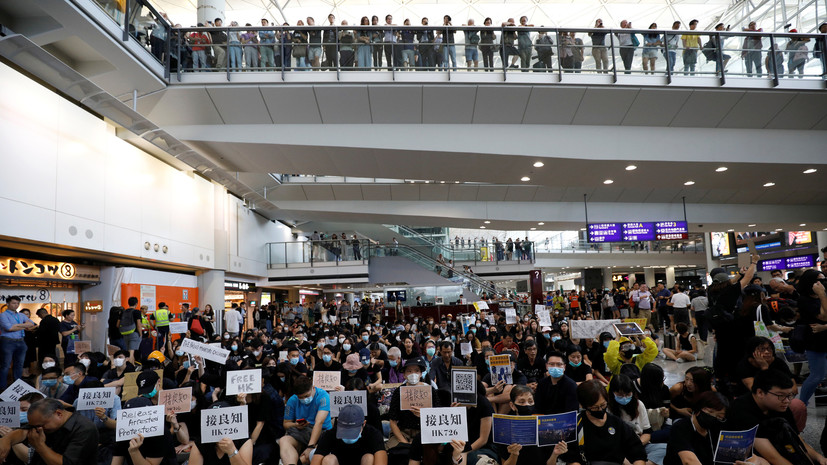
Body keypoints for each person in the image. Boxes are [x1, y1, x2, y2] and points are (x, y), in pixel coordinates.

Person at [727, 369, 825, 464]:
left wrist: (819, 457)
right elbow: (772, 457)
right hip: (747, 457)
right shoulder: (741, 410)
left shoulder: (780, 406)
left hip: (775, 448)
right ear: (760, 392)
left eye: (790, 395)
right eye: (781, 395)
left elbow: (797, 441)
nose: (787, 400)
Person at [560, 380, 648, 465]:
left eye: (603, 405)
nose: (600, 410)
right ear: (583, 406)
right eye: (595, 407)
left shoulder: (616, 423)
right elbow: (571, 457)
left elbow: (636, 450)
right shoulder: (576, 424)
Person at [0, 397, 99, 465]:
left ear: (58, 414)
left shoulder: (85, 429)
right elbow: (24, 431)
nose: (38, 429)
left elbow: (65, 463)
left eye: (41, 425)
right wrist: (7, 440)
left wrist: (39, 446)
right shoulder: (42, 422)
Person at [279, 375, 333, 465]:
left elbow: (319, 423)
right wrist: (296, 425)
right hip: (301, 431)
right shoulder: (292, 400)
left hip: (322, 432)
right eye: (301, 397)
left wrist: (310, 446)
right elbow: (286, 424)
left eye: (307, 395)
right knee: (283, 440)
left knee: (306, 458)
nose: (304, 399)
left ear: (313, 387)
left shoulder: (323, 396)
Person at [310, 404, 387, 465]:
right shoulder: (329, 434)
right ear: (338, 422)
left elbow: (381, 462)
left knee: (369, 457)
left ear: (363, 424)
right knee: (328, 460)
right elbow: (316, 460)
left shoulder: (373, 434)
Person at [794, 269, 827, 405]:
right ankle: (801, 403)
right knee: (817, 375)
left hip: (824, 336)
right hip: (815, 342)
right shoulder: (804, 300)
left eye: (823, 280)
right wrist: (822, 295)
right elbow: (824, 316)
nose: (822, 283)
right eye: (818, 280)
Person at [0, 295, 37, 389]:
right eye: (13, 303)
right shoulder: (3, 315)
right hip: (7, 342)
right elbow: (9, 328)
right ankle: (3, 387)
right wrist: (24, 325)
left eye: (17, 303)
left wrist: (16, 325)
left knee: (19, 365)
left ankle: (17, 385)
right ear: (7, 304)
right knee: (5, 365)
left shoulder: (21, 315)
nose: (16, 305)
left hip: (21, 342)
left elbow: (31, 324)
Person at [119, 297, 143, 363]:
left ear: (128, 303)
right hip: (134, 333)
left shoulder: (123, 312)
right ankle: (130, 370)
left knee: (129, 351)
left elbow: (118, 324)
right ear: (136, 304)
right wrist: (140, 334)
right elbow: (138, 324)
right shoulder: (137, 312)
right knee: (131, 353)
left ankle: (133, 366)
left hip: (124, 333)